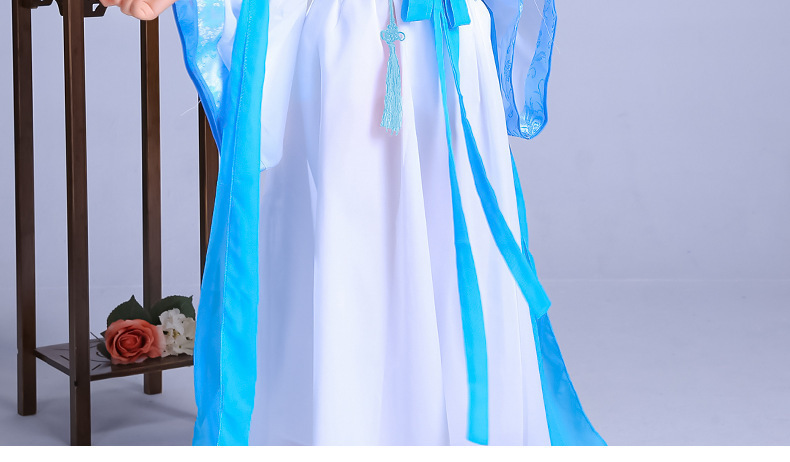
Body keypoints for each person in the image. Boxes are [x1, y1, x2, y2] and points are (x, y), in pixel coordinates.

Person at [101, 0, 606, 446]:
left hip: (438, 37)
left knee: (442, 242)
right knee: (350, 241)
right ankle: (357, 425)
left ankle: (439, 423)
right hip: (352, 44)